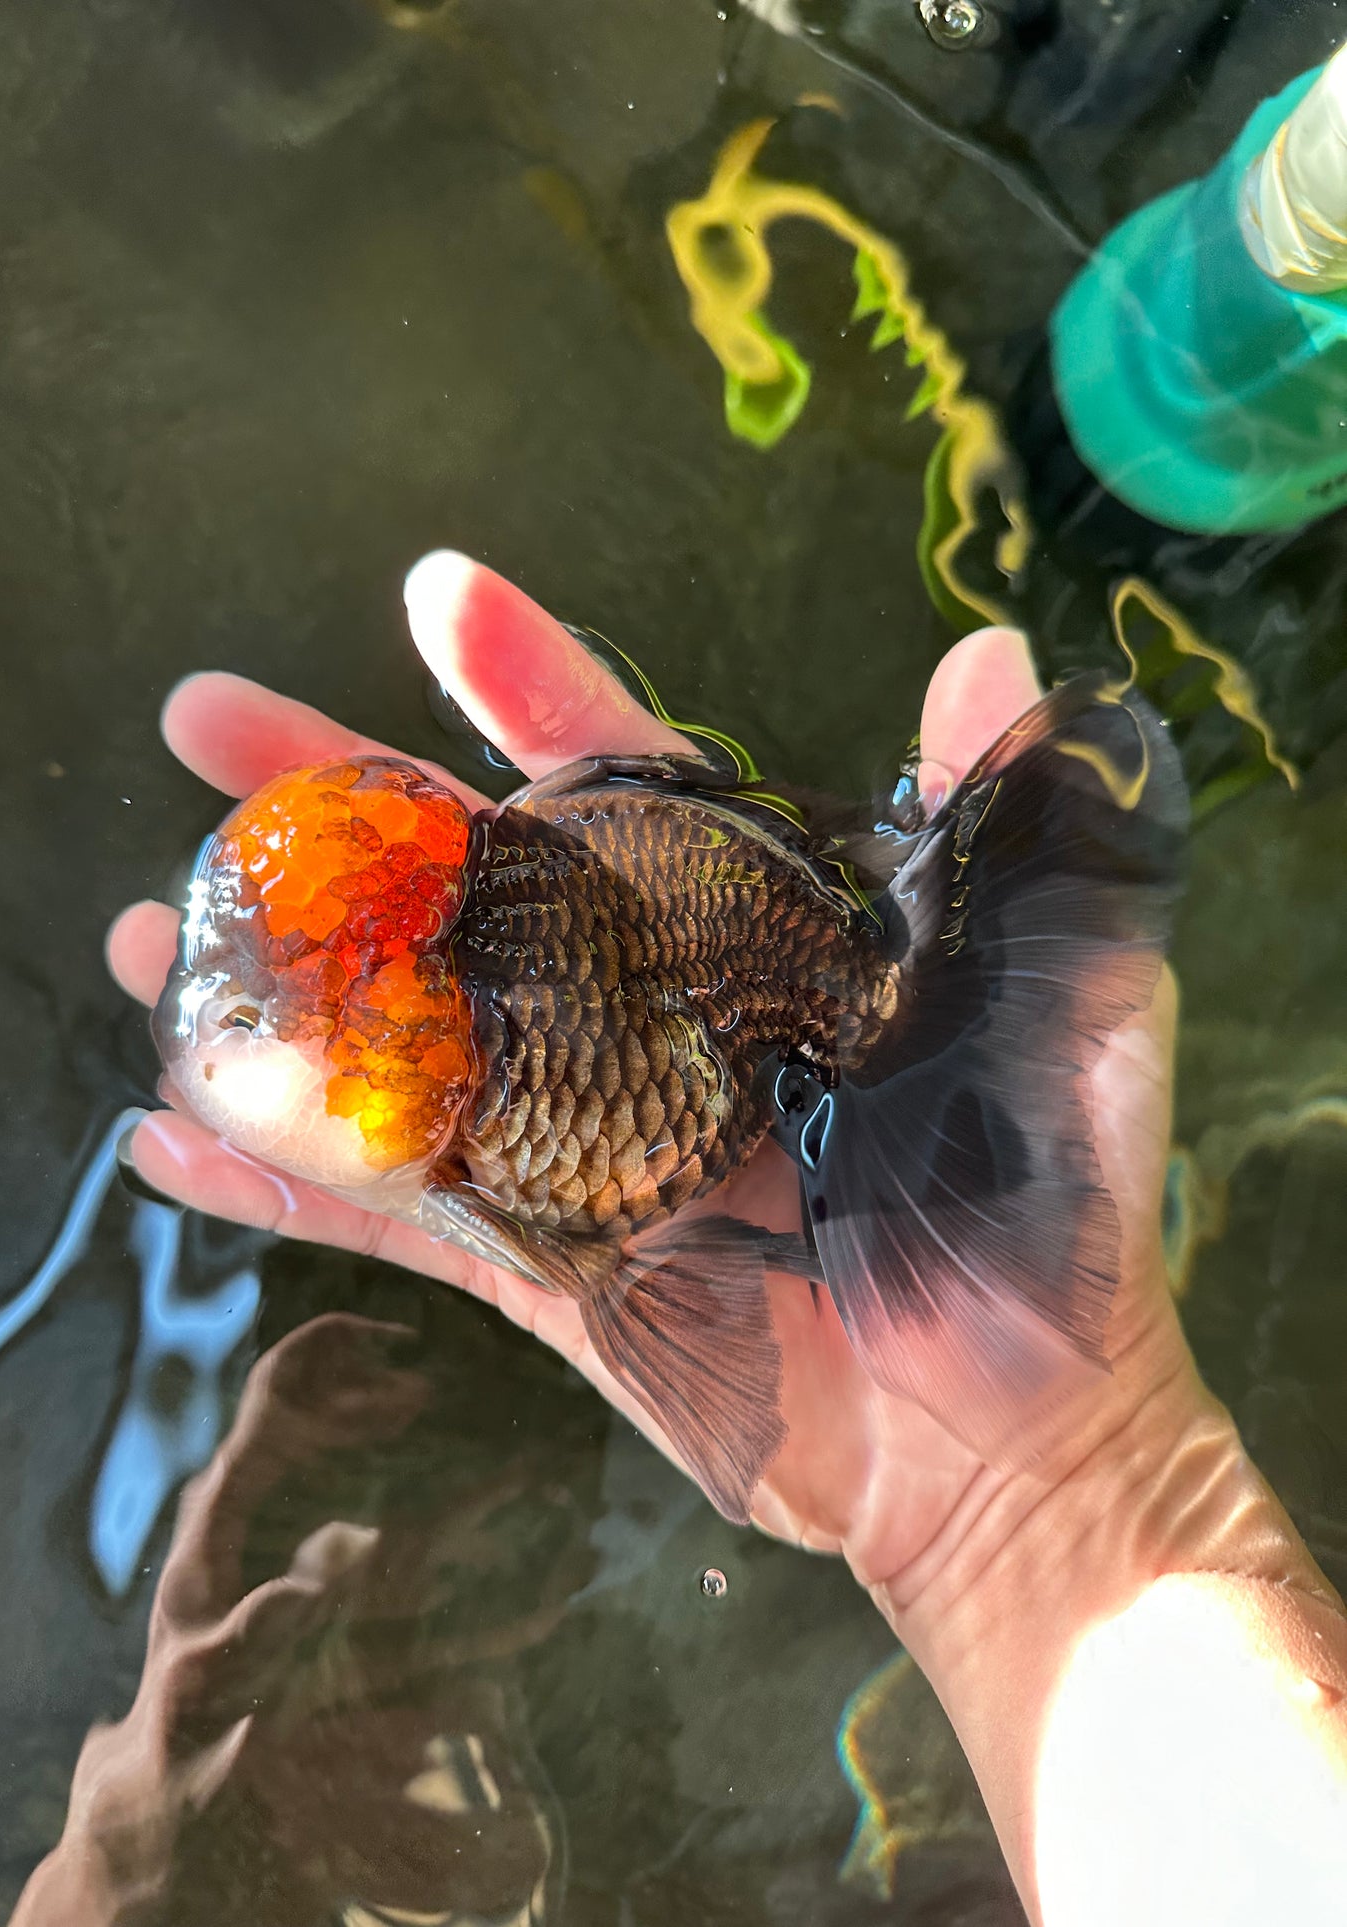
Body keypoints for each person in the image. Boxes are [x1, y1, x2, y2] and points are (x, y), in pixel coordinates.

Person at [78, 553, 1345, 1924]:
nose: (224, 1031)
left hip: (716, 979)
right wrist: (1071, 1504)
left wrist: (1066, 1485)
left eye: (265, 1027)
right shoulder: (463, 1021)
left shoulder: (481, 1065)